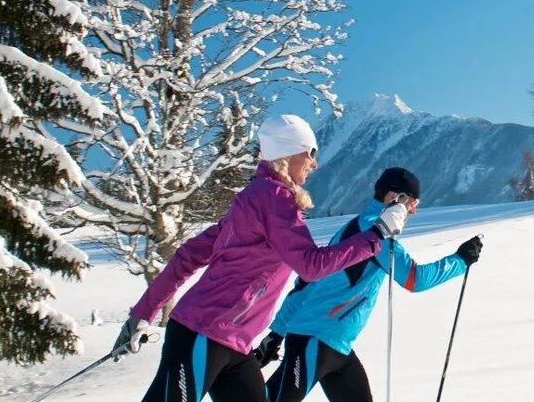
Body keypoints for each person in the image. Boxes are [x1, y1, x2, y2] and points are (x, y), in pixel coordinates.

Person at [111, 114, 411, 402]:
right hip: (203, 332)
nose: (314, 162)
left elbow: (187, 255)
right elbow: (312, 265)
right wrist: (377, 234)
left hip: (234, 345)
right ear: (289, 153)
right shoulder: (273, 199)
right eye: (310, 153)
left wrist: (143, 313)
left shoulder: (255, 199)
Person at [256, 167, 484, 402]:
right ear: (393, 198)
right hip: (313, 339)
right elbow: (415, 279)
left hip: (336, 347)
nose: (414, 211)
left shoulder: (355, 227)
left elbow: (307, 283)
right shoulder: (375, 233)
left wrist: (277, 333)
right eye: (412, 203)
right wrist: (460, 261)